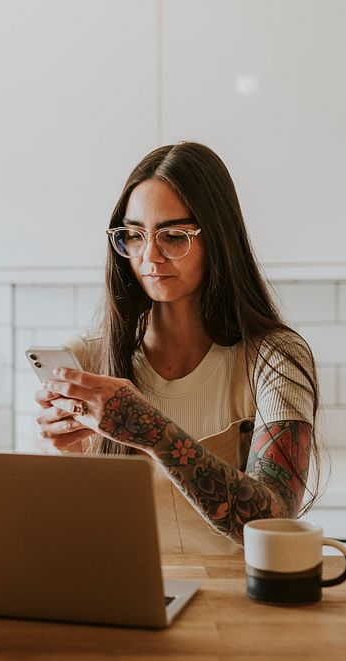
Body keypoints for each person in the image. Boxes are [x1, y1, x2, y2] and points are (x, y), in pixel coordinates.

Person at [34, 142, 321, 553]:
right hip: (122, 590)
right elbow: (65, 522)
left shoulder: (276, 359)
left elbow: (273, 522)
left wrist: (150, 430)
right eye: (133, 236)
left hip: (236, 601)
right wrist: (62, 453)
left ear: (219, 238)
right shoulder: (86, 359)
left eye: (173, 236)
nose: (149, 256)